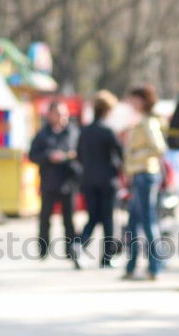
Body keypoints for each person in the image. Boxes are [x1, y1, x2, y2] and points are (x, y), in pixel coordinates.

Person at [122, 85, 167, 280]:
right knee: (133, 223)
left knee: (148, 222)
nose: (131, 103)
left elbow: (159, 148)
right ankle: (132, 266)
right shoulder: (142, 120)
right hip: (139, 175)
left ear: (142, 100)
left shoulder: (149, 122)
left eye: (133, 99)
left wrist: (135, 154)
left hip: (145, 175)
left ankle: (155, 267)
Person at [29, 101, 80, 266]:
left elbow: (81, 154)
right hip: (49, 181)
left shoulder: (73, 132)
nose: (62, 117)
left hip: (68, 181)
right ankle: (43, 250)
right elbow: (33, 155)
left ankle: (70, 249)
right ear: (50, 115)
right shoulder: (43, 134)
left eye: (64, 114)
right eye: (58, 113)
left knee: (69, 219)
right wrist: (49, 156)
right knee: (45, 218)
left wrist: (70, 158)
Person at [77, 90, 123, 268]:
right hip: (107, 180)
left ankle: (79, 243)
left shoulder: (85, 131)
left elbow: (79, 155)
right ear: (107, 110)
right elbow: (120, 154)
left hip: (88, 180)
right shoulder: (108, 131)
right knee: (108, 218)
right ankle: (107, 257)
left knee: (93, 216)